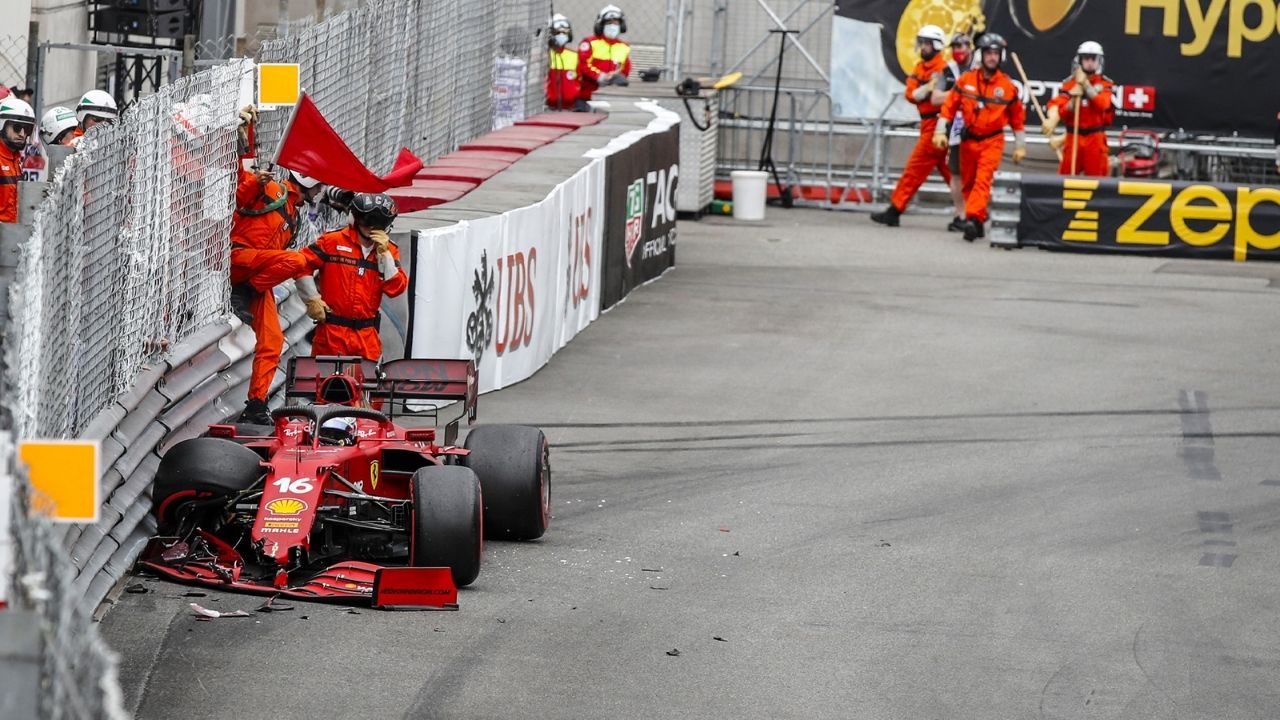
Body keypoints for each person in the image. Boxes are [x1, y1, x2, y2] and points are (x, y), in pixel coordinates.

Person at [230, 106, 310, 424]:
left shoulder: (294, 213)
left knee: (274, 339)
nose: (316, 194)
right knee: (298, 258)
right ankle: (245, 291)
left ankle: (256, 404)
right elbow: (241, 188)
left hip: (257, 278)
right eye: (315, 188)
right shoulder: (273, 189)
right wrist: (247, 134)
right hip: (239, 261)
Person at [934, 32, 1027, 242]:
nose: (992, 57)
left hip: (992, 141)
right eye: (989, 53)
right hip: (967, 139)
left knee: (983, 180)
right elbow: (949, 107)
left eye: (996, 53)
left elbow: (1017, 119)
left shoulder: (1008, 87)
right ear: (981, 55)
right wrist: (940, 130)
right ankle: (977, 219)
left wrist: (1020, 145)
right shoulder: (966, 81)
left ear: (1001, 56)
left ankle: (974, 220)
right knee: (968, 182)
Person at [296, 193, 408, 362]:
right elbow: (300, 265)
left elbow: (395, 289)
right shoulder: (332, 241)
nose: (371, 228)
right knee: (325, 385)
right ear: (355, 218)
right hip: (330, 335)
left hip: (366, 338)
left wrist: (385, 256)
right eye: (367, 221)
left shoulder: (389, 250)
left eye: (378, 223)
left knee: (363, 386)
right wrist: (312, 299)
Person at [871, 25, 951, 227]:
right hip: (928, 124)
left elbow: (936, 99)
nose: (922, 47)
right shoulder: (920, 68)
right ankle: (972, 212)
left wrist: (923, 92)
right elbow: (910, 94)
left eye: (926, 43)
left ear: (936, 45)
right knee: (952, 173)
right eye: (921, 42)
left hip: (937, 127)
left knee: (914, 170)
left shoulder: (943, 70)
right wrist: (925, 90)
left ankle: (895, 209)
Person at [1041, 41, 1114, 177]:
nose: (1090, 62)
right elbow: (1062, 112)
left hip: (1095, 138)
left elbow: (1102, 105)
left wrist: (1086, 85)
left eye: (1093, 59)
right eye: (1086, 58)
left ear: (1100, 61)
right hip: (1073, 138)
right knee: (1066, 179)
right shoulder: (1069, 84)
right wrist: (1073, 101)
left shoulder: (1105, 84)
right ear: (1079, 60)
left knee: (1097, 181)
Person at [942, 32, 974, 231]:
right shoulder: (947, 71)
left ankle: (975, 212)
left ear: (969, 47)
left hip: (977, 126)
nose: (958, 51)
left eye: (961, 46)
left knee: (977, 173)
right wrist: (958, 92)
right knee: (955, 172)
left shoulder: (980, 69)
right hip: (954, 126)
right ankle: (960, 214)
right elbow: (936, 98)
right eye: (954, 47)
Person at [578, 5, 632, 103]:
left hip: (611, 97)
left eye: (616, 22)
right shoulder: (590, 42)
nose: (612, 25)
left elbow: (625, 70)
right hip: (586, 95)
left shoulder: (624, 47)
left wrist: (617, 76)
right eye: (608, 22)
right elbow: (583, 65)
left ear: (621, 25)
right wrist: (600, 76)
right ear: (601, 25)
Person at [0, 97, 34, 224]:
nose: (22, 134)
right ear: (2, 125)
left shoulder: (16, 157)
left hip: (12, 233)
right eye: (17, 127)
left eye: (27, 129)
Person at [547, 14, 584, 111]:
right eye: (557, 32)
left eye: (565, 32)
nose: (562, 35)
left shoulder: (575, 56)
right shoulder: (544, 56)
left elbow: (582, 81)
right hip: (548, 108)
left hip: (571, 108)